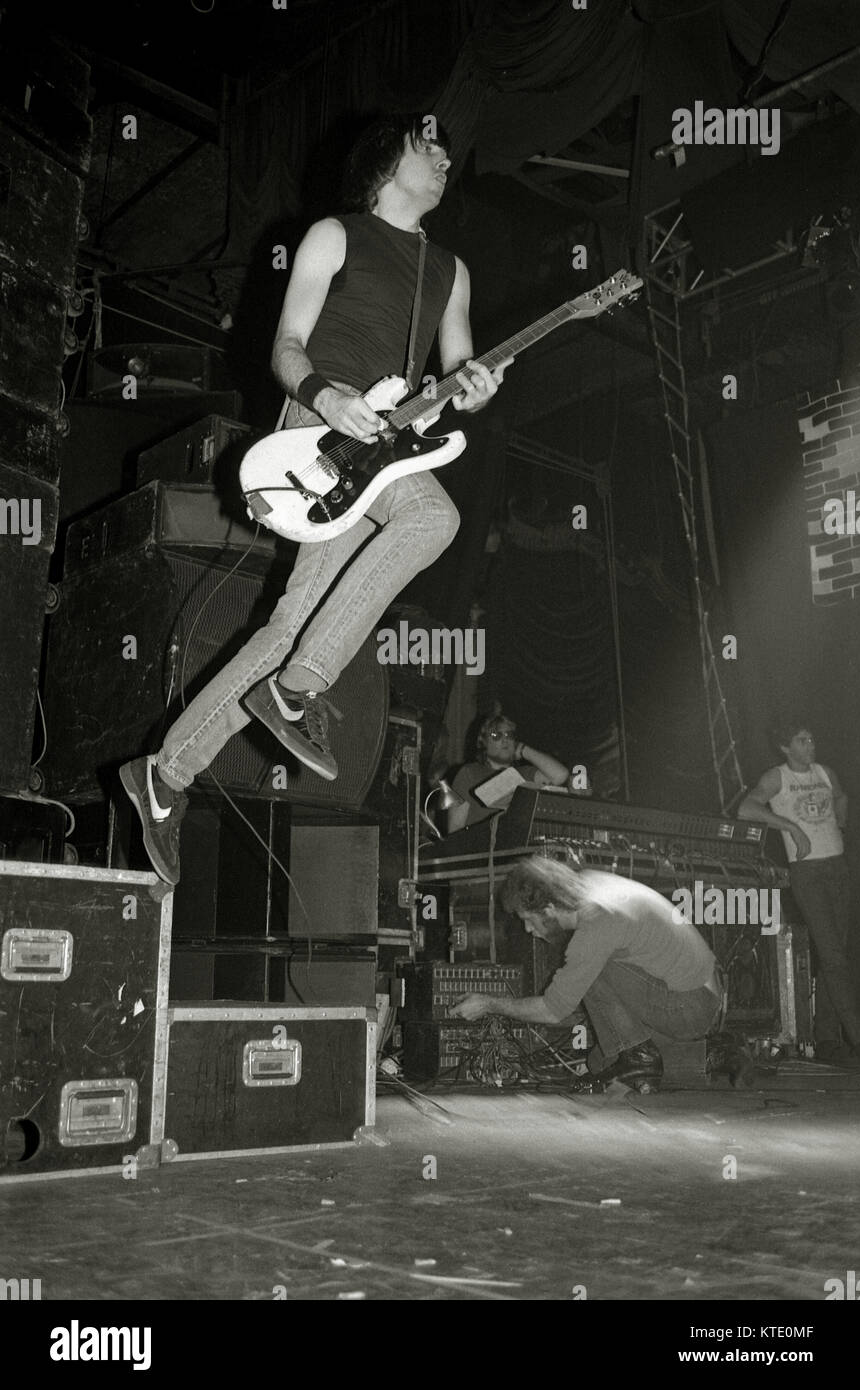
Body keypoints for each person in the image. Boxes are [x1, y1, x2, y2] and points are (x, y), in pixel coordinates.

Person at [119, 113, 509, 885]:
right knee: (434, 517)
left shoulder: (451, 270)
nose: (442, 154)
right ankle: (296, 690)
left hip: (389, 447)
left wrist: (476, 387)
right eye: (424, 143)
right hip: (319, 432)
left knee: (290, 626)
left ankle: (164, 775)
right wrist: (330, 400)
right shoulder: (335, 234)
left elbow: (456, 378)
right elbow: (285, 346)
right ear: (382, 163)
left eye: (445, 147)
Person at [450, 855, 724, 1092]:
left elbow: (552, 1010)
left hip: (691, 1005)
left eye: (528, 920)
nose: (528, 930)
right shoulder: (588, 883)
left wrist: (490, 1004)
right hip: (700, 993)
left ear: (548, 910)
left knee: (592, 971)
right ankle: (715, 1055)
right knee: (601, 1062)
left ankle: (640, 1059)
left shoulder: (595, 926)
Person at [738, 720, 860, 1061]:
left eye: (812, 739)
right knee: (835, 957)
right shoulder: (777, 777)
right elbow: (746, 808)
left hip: (837, 868)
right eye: (803, 740)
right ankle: (858, 1037)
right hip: (808, 873)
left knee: (836, 956)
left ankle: (826, 1039)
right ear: (785, 747)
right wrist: (792, 827)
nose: (811, 745)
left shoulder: (825, 772)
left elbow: (842, 797)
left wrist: (840, 824)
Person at [446, 713, 570, 833]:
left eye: (509, 735)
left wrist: (523, 750)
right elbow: (455, 827)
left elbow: (560, 775)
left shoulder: (524, 774)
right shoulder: (469, 773)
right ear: (483, 741)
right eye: (496, 735)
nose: (505, 740)